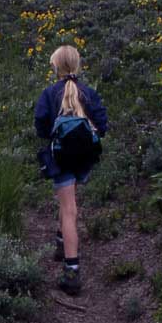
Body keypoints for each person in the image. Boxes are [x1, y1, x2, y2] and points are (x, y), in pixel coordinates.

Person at [34, 45, 108, 295]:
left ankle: (72, 271)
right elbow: (103, 123)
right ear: (77, 65)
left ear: (56, 67)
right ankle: (60, 241)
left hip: (61, 158)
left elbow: (41, 126)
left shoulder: (50, 93)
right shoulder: (88, 92)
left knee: (69, 210)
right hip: (84, 158)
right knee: (69, 203)